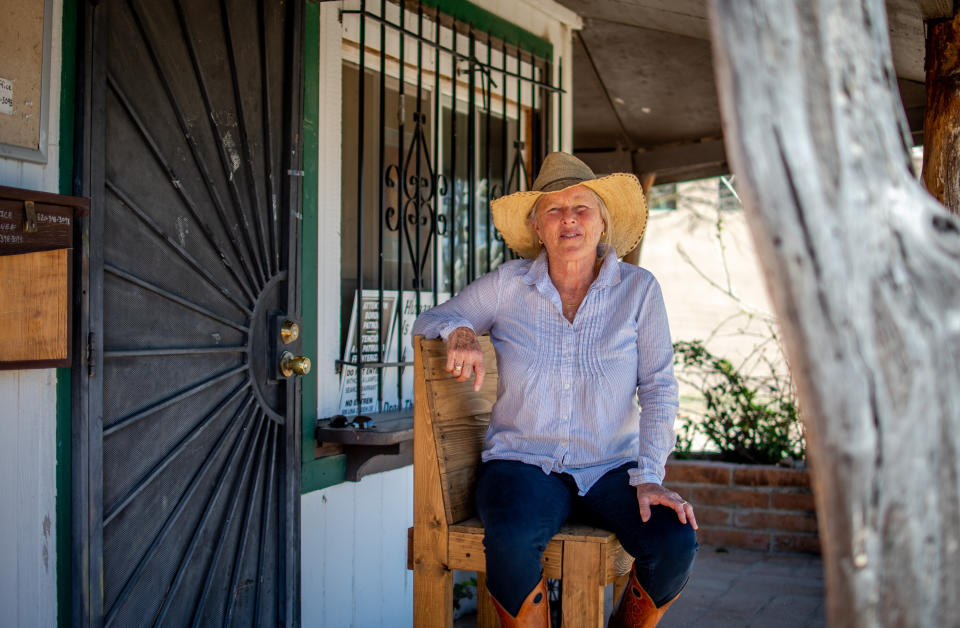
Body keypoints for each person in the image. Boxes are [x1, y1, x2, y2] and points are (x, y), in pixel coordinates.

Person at [412, 152, 697, 627]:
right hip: (524, 462)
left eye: (581, 208)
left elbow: (660, 387)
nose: (569, 219)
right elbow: (433, 318)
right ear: (537, 227)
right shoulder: (508, 285)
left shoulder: (639, 290)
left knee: (674, 539)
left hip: (612, 466)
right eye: (554, 209)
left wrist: (649, 474)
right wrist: (459, 331)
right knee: (511, 536)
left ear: (602, 223)